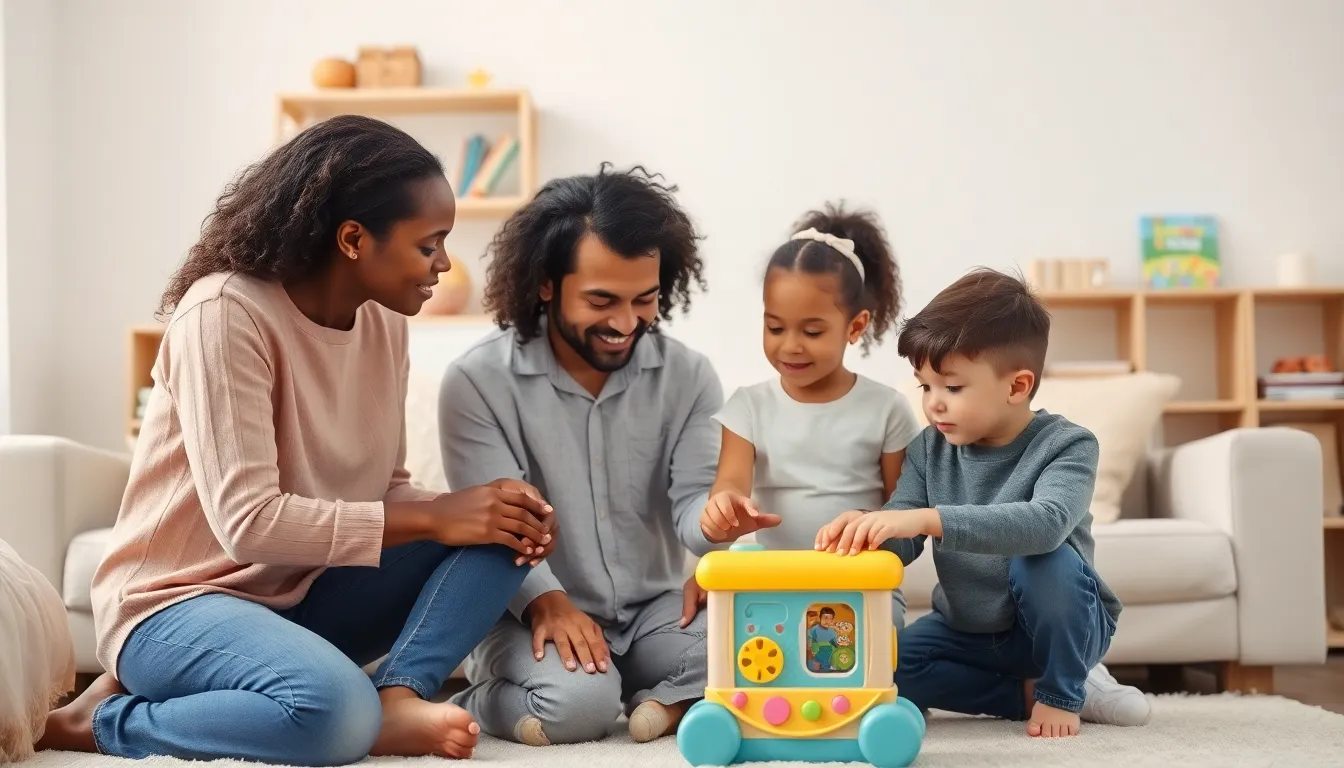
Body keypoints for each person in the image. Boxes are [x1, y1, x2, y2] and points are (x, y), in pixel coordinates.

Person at [36, 115, 557, 765]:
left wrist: (471, 512)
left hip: (300, 593)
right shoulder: (225, 314)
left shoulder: (384, 324)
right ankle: (104, 719)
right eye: (430, 244)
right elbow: (248, 524)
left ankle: (399, 695)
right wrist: (434, 513)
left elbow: (384, 484)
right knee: (334, 716)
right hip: (175, 605)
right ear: (353, 239)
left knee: (504, 532)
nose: (444, 264)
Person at [438, 164, 720, 747]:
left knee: (746, 657)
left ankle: (653, 688)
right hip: (527, 609)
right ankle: (480, 689)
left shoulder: (689, 376)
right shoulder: (477, 381)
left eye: (645, 299)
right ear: (546, 283)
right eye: (601, 300)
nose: (625, 322)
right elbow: (500, 527)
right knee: (579, 708)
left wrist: (720, 531)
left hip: (652, 608)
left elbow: (695, 505)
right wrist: (549, 602)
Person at [818, 268, 1150, 737]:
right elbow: (905, 531)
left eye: (951, 388)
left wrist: (931, 519)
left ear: (1017, 386)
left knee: (1043, 562)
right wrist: (870, 528)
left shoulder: (1069, 445)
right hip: (968, 632)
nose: (934, 404)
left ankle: (1066, 686)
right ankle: (1029, 695)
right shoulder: (928, 449)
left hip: (1056, 627)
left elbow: (1047, 524)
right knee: (889, 672)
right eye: (925, 386)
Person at [695, 204, 921, 630]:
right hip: (773, 586)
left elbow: (905, 513)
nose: (791, 346)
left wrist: (874, 537)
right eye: (775, 328)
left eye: (812, 332)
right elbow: (729, 484)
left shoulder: (886, 408)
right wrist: (723, 507)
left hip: (861, 588)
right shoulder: (748, 406)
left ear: (855, 327)